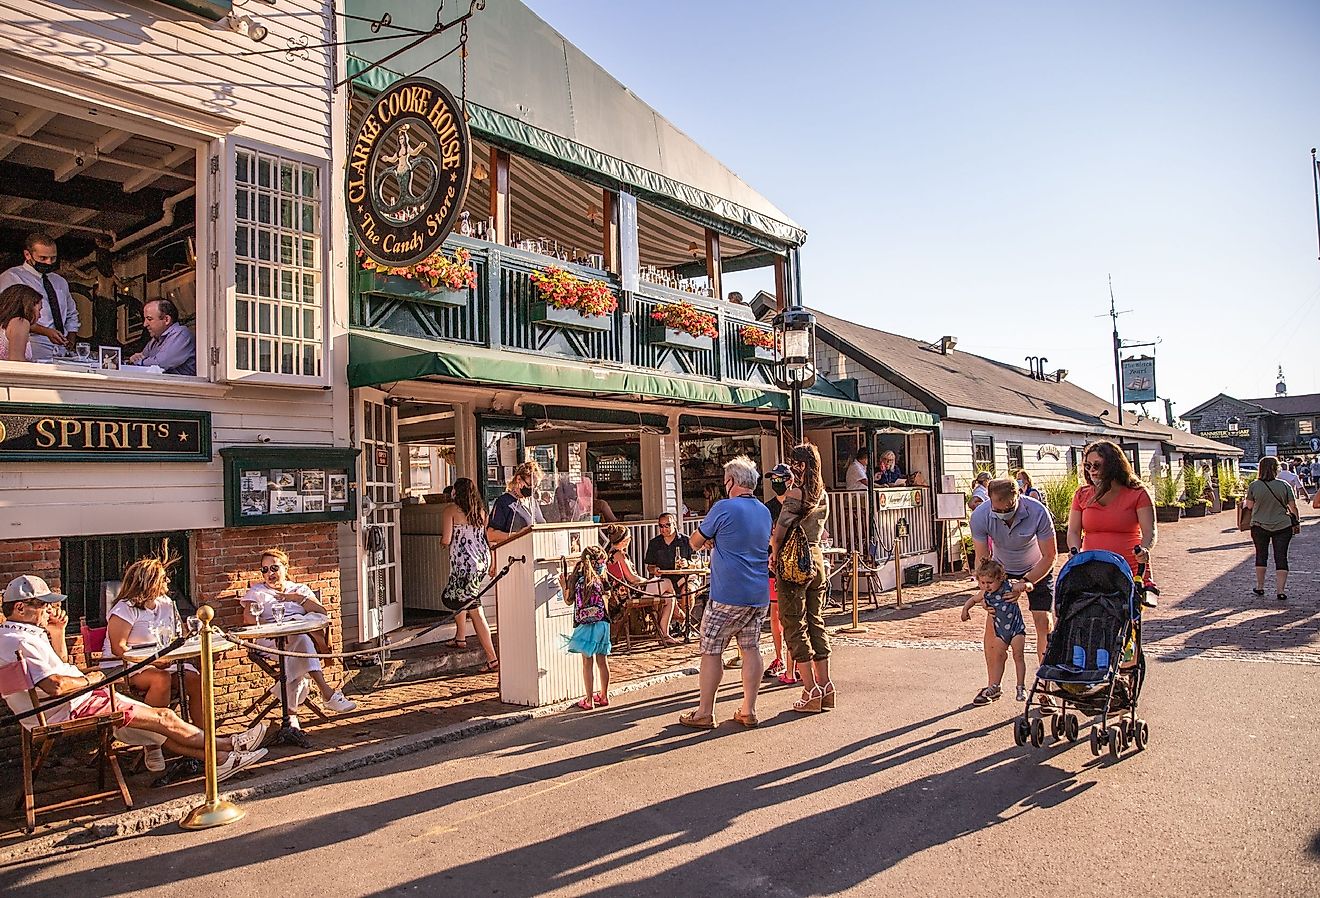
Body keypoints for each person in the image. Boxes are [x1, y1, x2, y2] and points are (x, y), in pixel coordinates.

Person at [0, 575, 267, 779]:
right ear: (21, 608)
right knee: (164, 717)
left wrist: (57, 632)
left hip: (62, 706)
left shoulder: (16, 636)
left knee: (160, 724)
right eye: (44, 605)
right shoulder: (20, 640)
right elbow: (56, 685)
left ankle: (220, 759)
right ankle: (230, 744)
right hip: (72, 706)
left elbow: (59, 667)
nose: (49, 610)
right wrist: (91, 681)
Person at [679, 456, 772, 729]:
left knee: (711, 650)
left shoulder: (723, 508)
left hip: (727, 593)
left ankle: (705, 711)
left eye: (725, 481)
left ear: (732, 482)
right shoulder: (764, 511)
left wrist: (711, 539)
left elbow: (695, 542)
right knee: (751, 647)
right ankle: (749, 709)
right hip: (758, 592)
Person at [240, 549, 356, 726]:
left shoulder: (300, 589)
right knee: (299, 642)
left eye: (274, 568)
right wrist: (274, 629)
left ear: (286, 568)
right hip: (269, 640)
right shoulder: (257, 591)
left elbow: (321, 613)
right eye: (264, 570)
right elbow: (249, 618)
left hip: (298, 640)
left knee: (297, 644)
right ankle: (327, 693)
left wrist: (295, 598)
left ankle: (291, 715)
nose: (269, 574)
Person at [970, 477, 1058, 700]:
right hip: (1001, 570)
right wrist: (985, 592)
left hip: (1037, 568)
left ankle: (1046, 686)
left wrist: (1027, 582)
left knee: (1043, 621)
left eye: (1007, 508)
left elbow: (1050, 556)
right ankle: (993, 685)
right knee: (993, 623)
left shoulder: (1038, 512)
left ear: (1018, 497)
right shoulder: (980, 516)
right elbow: (982, 561)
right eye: (997, 509)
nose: (1002, 513)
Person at [100, 557, 202, 745]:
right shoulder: (125, 608)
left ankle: (203, 737)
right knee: (160, 679)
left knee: (194, 679)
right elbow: (118, 648)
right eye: (163, 578)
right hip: (124, 666)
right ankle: (151, 740)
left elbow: (176, 635)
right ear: (149, 581)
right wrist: (153, 661)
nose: (168, 582)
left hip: (160, 662)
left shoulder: (166, 604)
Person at [770, 442, 834, 714]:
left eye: (794, 462)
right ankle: (826, 684)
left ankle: (810, 689)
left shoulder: (797, 493)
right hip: (816, 556)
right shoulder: (823, 494)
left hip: (794, 560)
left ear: (802, 465)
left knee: (793, 622)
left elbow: (781, 530)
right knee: (815, 620)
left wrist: (774, 554)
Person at [1066, 440, 1156, 597]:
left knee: (1126, 616)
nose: (1092, 470)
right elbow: (1073, 531)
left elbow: (1150, 531)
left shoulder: (1137, 493)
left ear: (1113, 465)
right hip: (1093, 568)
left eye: (1097, 465)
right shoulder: (1082, 494)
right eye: (1088, 466)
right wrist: (1075, 551)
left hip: (1129, 568)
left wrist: (1145, 549)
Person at [440, 478, 498, 671]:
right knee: (459, 596)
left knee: (474, 609)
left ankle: (492, 658)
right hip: (481, 561)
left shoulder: (450, 511)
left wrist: (440, 543)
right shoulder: (481, 512)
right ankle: (460, 637)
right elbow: (486, 539)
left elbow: (447, 539)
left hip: (464, 566)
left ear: (456, 492)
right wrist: (493, 562)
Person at [0, 234, 78, 360]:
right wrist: (46, 331)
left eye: (53, 258)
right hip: (30, 344)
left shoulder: (60, 281)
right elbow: (7, 316)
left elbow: (71, 313)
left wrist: (71, 337)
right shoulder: (11, 277)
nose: (49, 262)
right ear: (27, 255)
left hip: (61, 349)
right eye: (43, 258)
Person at [961, 558, 1028, 704]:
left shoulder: (1008, 587)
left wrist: (1026, 585)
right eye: (982, 583)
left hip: (1016, 628)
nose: (986, 586)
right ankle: (995, 685)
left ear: (1000, 578)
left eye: (990, 583)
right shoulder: (985, 594)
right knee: (998, 657)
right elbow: (973, 599)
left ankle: (1021, 686)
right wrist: (965, 609)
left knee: (1018, 656)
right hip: (1000, 631)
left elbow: (1027, 586)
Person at [602, 524, 682, 645]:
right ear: (624, 541)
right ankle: (679, 613)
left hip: (626, 592)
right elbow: (632, 578)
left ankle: (664, 634)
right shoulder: (619, 555)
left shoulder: (610, 554)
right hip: (630, 593)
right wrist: (647, 581)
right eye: (629, 539)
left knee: (669, 598)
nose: (630, 541)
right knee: (667, 582)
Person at [559, 545, 612, 709]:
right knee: (602, 661)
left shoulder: (577, 576)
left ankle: (589, 700)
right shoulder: (601, 578)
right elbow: (608, 597)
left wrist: (563, 585)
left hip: (585, 626)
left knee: (587, 663)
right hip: (602, 623)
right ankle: (604, 696)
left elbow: (569, 601)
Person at [1244, 455, 1299, 601]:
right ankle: (1280, 591)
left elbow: (1249, 506)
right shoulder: (1284, 485)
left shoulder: (1254, 486)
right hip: (1282, 525)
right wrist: (1297, 522)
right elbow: (1293, 507)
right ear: (1276, 469)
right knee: (1281, 556)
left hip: (1259, 525)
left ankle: (1260, 586)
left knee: (1261, 555)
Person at [762, 463, 795, 684]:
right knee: (775, 613)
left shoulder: (797, 504)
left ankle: (797, 660)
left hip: (793, 564)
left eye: (779, 478)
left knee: (792, 614)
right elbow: (763, 534)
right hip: (773, 565)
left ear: (789, 480)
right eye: (772, 479)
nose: (776, 482)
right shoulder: (768, 508)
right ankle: (778, 656)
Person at [129, 298, 196, 375]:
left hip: (181, 386)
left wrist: (137, 362)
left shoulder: (181, 334)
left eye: (149, 319)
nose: (145, 324)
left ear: (166, 319)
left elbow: (159, 364)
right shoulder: (155, 339)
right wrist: (137, 359)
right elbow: (144, 358)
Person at [487, 461, 545, 547]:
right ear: (518, 480)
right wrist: (516, 535)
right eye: (531, 485)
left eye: (536, 486)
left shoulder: (532, 501)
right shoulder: (504, 502)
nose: (533, 489)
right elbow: (490, 535)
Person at [644, 512, 694, 598]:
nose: (664, 529)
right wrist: (654, 569)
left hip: (685, 578)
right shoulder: (654, 543)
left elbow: (698, 563)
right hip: (665, 579)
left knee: (687, 592)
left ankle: (685, 611)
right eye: (661, 526)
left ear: (674, 524)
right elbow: (650, 566)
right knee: (666, 598)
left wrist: (687, 564)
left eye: (667, 525)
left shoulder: (686, 541)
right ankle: (680, 612)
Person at [0, 283, 41, 361]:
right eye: (39, 310)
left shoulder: (7, 323)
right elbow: (17, 361)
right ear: (29, 306)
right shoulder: (20, 322)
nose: (40, 315)